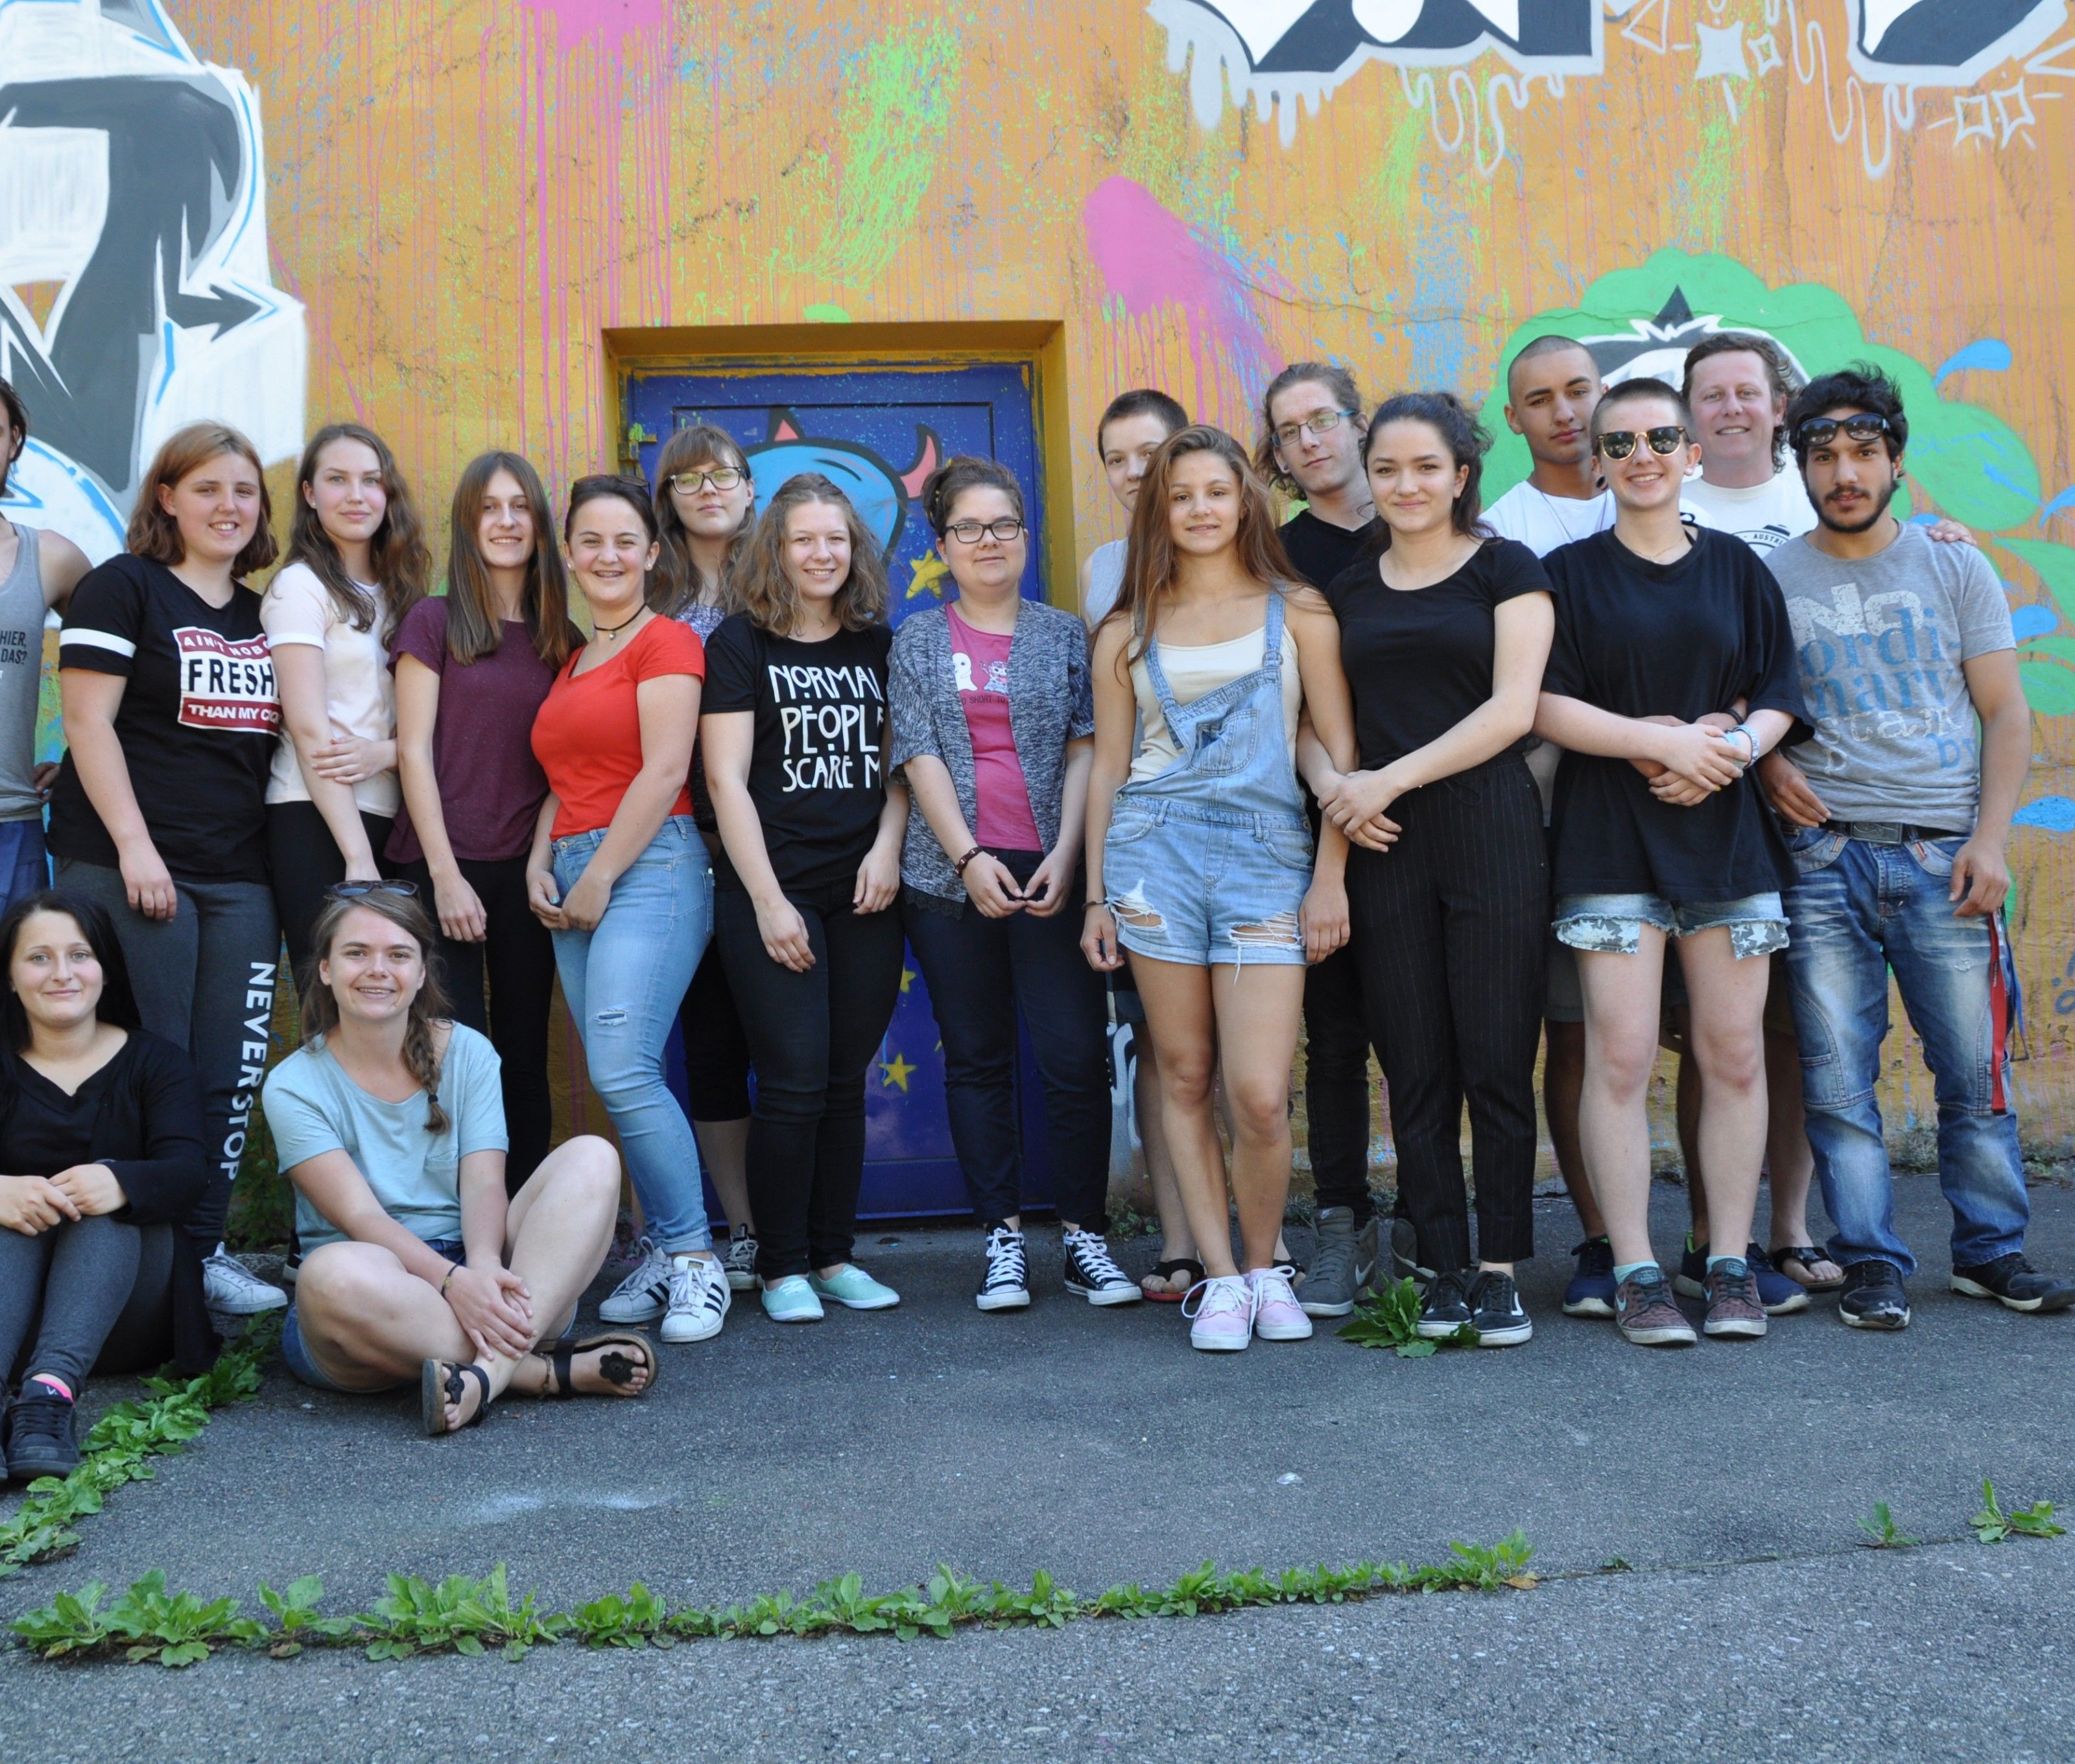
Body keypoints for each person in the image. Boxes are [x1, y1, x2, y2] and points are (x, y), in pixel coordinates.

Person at [1759, 366, 2075, 1327]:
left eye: (1863, 453)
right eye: (1823, 456)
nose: (1844, 473)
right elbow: (1748, 710)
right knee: (1838, 1083)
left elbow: (2006, 712)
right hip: (1822, 863)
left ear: (1897, 460)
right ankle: (1871, 1264)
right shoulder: (1769, 578)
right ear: (1800, 468)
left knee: (1975, 1078)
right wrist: (1769, 774)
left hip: (1946, 857)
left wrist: (1989, 838)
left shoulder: (1954, 564)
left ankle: (1990, 1253)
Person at [1534, 377, 1809, 1348]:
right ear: (1597, 461)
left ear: (1692, 454)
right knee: (1616, 1056)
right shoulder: (1565, 575)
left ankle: (1730, 1264)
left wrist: (1725, 752)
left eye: (1661, 436)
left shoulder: (1739, 567)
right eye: (1619, 441)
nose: (1642, 453)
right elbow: (1542, 704)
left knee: (1733, 1053)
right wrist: (1650, 743)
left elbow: (1777, 690)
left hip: (1727, 839)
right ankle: (1639, 1272)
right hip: (1612, 835)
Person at [1082, 425, 1359, 1353]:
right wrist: (1096, 896)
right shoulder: (1126, 629)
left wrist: (1331, 878)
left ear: (1246, 500)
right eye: (1181, 494)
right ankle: (1225, 1278)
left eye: (1216, 491)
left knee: (1257, 1092)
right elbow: (1110, 770)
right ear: (1158, 510)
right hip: (1153, 859)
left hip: (1268, 857)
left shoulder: (1301, 612)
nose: (1200, 509)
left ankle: (1268, 1256)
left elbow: (1337, 753)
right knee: (1186, 1075)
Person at [1318, 394, 1554, 1346]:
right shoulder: (1347, 587)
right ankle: (1442, 1264)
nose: (1406, 486)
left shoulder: (1508, 568)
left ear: (1461, 475)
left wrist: (1386, 780)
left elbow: (1513, 711)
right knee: (1412, 1063)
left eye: (1426, 468)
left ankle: (1499, 1268)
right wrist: (1342, 790)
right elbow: (1317, 721)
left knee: (1496, 1056)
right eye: (1387, 470)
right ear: (1368, 478)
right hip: (1384, 846)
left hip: (1490, 823)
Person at [47, 422, 286, 1317]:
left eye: (245, 492)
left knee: (230, 1068)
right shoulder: (124, 589)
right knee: (150, 1063)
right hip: (128, 865)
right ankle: (131, 1271)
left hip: (238, 874)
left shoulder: (266, 616)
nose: (229, 506)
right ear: (167, 498)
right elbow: (87, 724)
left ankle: (204, 1253)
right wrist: (137, 846)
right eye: (209, 488)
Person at [263, 889, 648, 1435]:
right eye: (356, 953)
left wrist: (486, 1267)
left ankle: (481, 1379)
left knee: (593, 1156)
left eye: (399, 955)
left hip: (484, 1270)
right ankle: (544, 1372)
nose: (378, 970)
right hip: (378, 1304)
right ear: (325, 969)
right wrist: (451, 1283)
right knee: (331, 1274)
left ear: (422, 973)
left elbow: (485, 1181)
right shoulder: (293, 1085)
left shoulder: (467, 1051)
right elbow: (363, 1221)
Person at [891, 456, 1135, 1311]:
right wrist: (966, 857)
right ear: (943, 542)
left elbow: (1086, 749)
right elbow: (915, 752)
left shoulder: (1066, 633)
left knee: (1073, 1056)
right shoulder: (916, 639)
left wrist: (1071, 853)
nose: (988, 541)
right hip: (949, 877)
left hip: (1052, 871)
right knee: (978, 1059)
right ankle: (1001, 1237)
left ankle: (1083, 1237)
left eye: (1004, 526)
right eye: (969, 528)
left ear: (1025, 536)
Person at [525, 476, 728, 1346]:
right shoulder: (574, 659)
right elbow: (563, 781)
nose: (607, 556)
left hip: (649, 868)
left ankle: (694, 1260)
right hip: (575, 869)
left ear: (653, 553)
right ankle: (662, 1245)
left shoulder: (668, 641)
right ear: (568, 554)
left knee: (620, 1067)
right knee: (617, 1069)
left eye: (625, 541)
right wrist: (544, 859)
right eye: (590, 541)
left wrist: (601, 874)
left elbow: (662, 769)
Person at [703, 473, 908, 1324]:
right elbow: (724, 778)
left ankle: (834, 1256)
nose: (822, 554)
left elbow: (902, 764)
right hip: (772, 890)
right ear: (775, 552)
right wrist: (767, 899)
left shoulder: (878, 643)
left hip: (864, 891)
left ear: (854, 549)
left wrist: (890, 850)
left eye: (837, 539)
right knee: (790, 1080)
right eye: (804, 540)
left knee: (843, 1081)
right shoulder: (741, 646)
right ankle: (782, 1265)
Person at [388, 452, 576, 1195]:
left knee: (525, 1053)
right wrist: (444, 877)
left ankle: (527, 1223)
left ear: (538, 524)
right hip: (438, 865)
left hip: (527, 873)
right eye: (489, 508)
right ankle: (453, 1227)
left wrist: (536, 861)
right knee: (446, 1055)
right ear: (468, 523)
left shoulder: (565, 637)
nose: (505, 521)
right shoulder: (433, 621)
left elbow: (568, 771)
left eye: (520, 507)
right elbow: (411, 749)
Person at [1482, 337, 1620, 1316]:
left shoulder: (1658, 483)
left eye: (1580, 391)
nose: (1565, 413)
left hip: (1691, 805)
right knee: (1572, 1036)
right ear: (1514, 420)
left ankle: (1732, 1239)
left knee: (1729, 1038)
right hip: (1553, 817)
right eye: (1541, 399)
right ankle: (1607, 1241)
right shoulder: (1503, 533)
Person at [1255, 361, 1390, 1318]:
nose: (1310, 440)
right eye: (1288, 430)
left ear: (1358, 423)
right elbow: (1287, 702)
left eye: (1324, 420)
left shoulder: (1433, 521)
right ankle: (1342, 1217)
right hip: (1318, 820)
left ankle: (1431, 1217)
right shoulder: (1279, 555)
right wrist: (1338, 801)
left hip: (1441, 811)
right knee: (1335, 1037)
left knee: (1432, 1040)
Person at [0, 891, 209, 1479]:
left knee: (103, 1210)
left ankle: (49, 1398)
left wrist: (118, 1181)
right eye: (38, 958)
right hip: (10, 1316)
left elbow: (191, 1175)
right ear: (11, 978)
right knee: (14, 1212)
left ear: (105, 968)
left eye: (79, 955)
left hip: (126, 1314)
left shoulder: (157, 1064)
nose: (62, 973)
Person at [1078, 388, 1200, 1302]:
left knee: (1242, 1060)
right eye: (1116, 458)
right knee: (1164, 1047)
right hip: (1149, 836)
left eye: (1148, 451)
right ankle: (1184, 1239)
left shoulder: (1246, 553)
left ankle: (1254, 1237)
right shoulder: (1105, 572)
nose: (1133, 473)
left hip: (1248, 835)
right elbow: (1108, 739)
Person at [648, 424, 760, 1291]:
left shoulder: (786, 577)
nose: (708, 488)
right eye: (687, 477)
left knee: (797, 1045)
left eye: (723, 473)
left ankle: (805, 1232)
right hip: (685, 841)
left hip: (786, 843)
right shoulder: (648, 593)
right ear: (669, 498)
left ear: (750, 487)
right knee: (714, 1040)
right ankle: (744, 1226)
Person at [263, 423, 429, 977]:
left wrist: (386, 754)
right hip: (313, 815)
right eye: (337, 480)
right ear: (310, 495)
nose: (356, 496)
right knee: (332, 989)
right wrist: (358, 858)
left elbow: (423, 723)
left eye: (370, 481)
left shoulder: (405, 593)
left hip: (392, 815)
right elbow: (310, 730)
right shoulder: (299, 587)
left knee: (388, 994)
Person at [0, 380, 90, 914]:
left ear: (14, 441)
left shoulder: (51, 559)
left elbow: (130, 667)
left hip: (10, 828)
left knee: (18, 997)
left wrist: (79, 760)